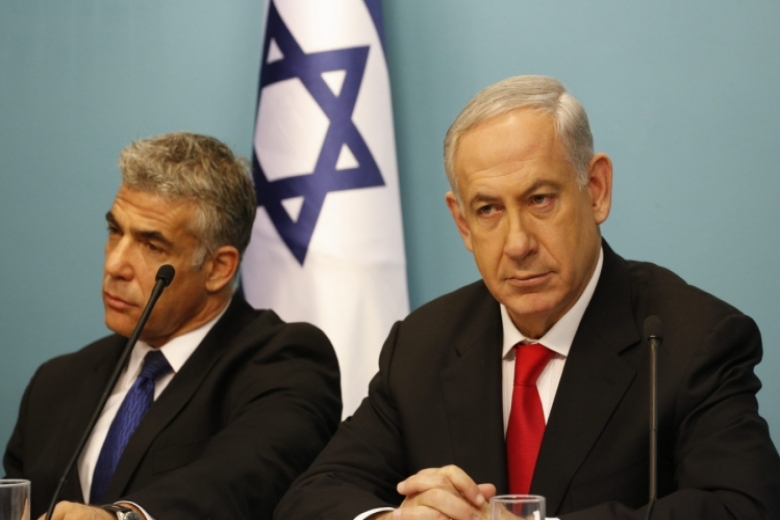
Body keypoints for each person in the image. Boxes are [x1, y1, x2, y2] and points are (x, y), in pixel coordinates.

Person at [273, 76, 780, 519]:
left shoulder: (691, 340)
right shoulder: (423, 345)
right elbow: (311, 497)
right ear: (462, 223)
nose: (517, 244)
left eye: (540, 200)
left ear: (596, 189)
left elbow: (745, 507)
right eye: (488, 210)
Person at [3, 132, 342, 520]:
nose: (115, 265)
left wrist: (122, 518)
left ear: (218, 268)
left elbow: (240, 478)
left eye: (152, 245)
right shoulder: (55, 384)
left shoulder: (284, 363)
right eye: (115, 231)